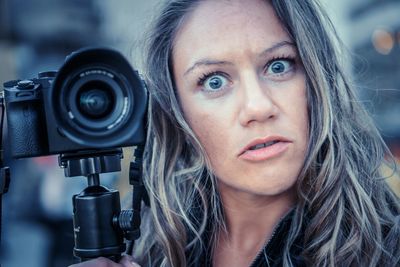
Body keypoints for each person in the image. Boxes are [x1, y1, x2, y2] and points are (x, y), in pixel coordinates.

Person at [70, 0, 400, 266]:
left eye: (278, 65)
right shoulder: (144, 247)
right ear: (176, 113)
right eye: (214, 81)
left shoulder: (387, 249)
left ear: (316, 80)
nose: (258, 107)